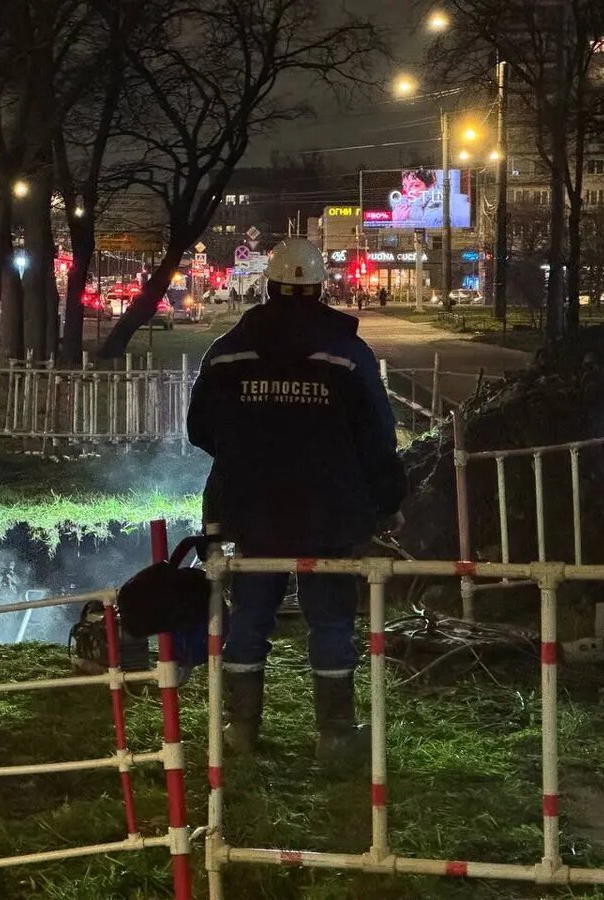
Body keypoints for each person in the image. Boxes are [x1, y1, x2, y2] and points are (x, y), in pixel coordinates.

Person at [187, 238, 406, 764]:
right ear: (319, 287)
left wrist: (246, 459)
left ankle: (240, 731)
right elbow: (377, 437)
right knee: (330, 620)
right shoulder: (348, 354)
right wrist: (387, 499)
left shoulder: (229, 350)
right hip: (329, 513)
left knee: (250, 618)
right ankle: (334, 737)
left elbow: (200, 428)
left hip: (252, 512)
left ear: (270, 285)